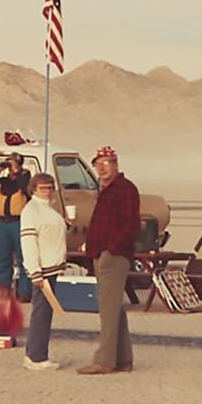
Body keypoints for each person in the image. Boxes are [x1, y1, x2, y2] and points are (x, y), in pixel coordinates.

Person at [77, 145, 139, 376]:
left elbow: (130, 224)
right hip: (100, 253)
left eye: (106, 163)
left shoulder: (125, 189)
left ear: (115, 164)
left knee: (107, 310)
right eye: (98, 164)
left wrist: (111, 251)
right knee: (115, 309)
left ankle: (104, 361)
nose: (102, 168)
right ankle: (123, 359)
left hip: (114, 256)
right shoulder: (105, 190)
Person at [18, 172, 68, 372]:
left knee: (45, 313)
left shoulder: (49, 209)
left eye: (49, 187)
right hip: (42, 270)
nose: (47, 191)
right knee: (41, 313)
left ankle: (38, 353)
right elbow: (28, 243)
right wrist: (34, 271)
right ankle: (35, 356)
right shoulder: (31, 210)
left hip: (53, 267)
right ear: (33, 190)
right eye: (43, 188)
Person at [0, 151, 33, 299]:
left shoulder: (25, 178)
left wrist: (17, 172)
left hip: (18, 222)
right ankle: (2, 290)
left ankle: (24, 292)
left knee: (23, 259)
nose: (9, 166)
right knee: (3, 259)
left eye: (11, 162)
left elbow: (27, 190)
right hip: (3, 223)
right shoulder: (4, 181)